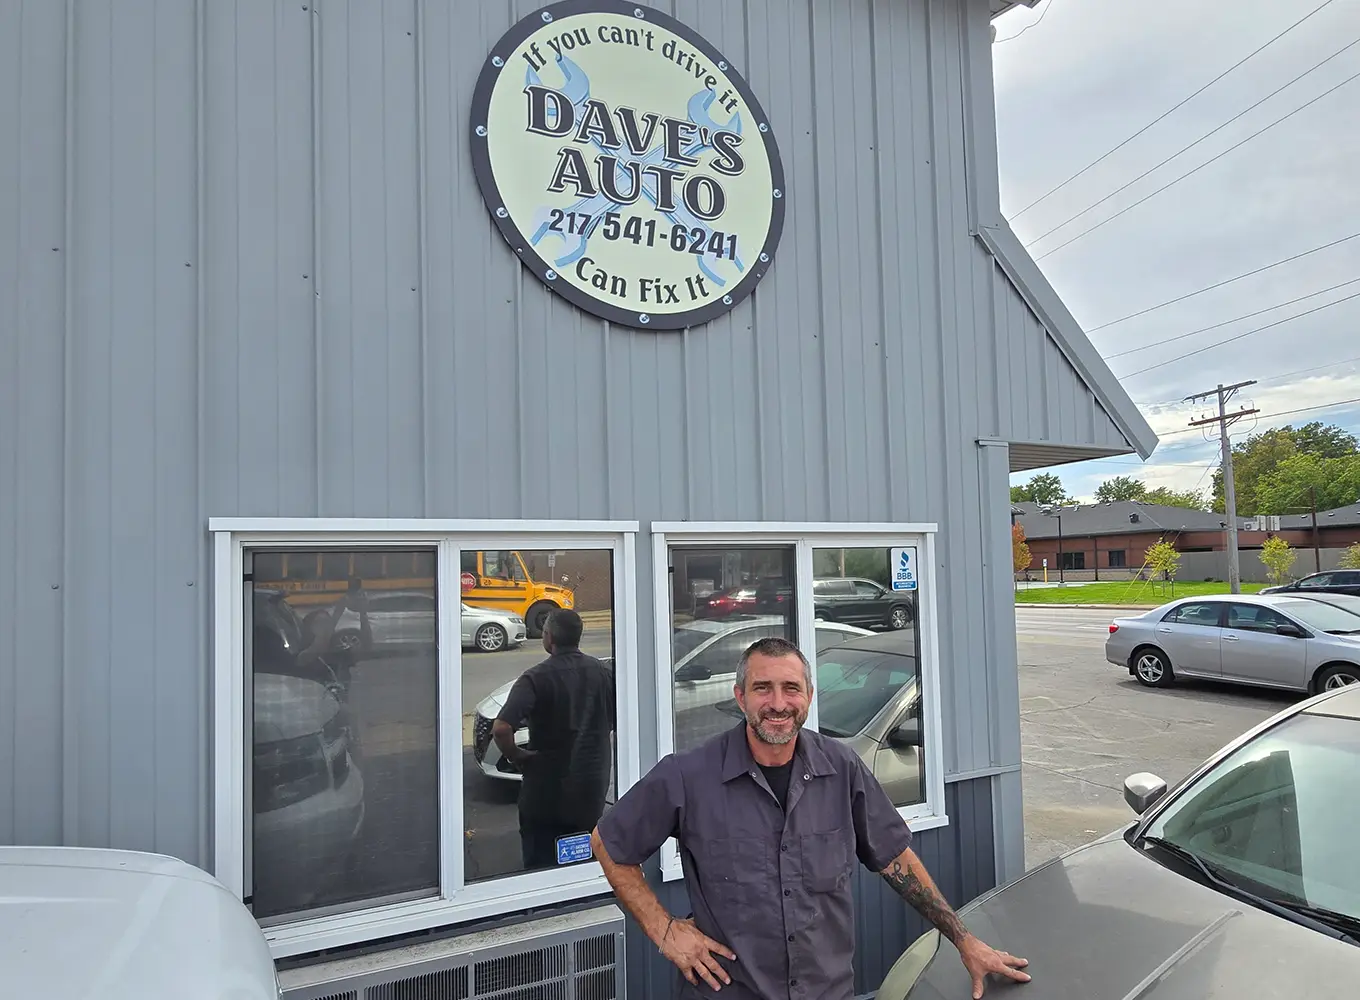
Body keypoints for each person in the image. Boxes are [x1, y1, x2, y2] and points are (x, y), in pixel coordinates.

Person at [589, 636, 1030, 1000]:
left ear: (808, 697)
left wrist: (964, 941)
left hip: (827, 991)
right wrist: (663, 929)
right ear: (740, 696)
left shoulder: (842, 768)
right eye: (763, 688)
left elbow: (896, 859)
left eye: (791, 689)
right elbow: (609, 843)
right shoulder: (688, 775)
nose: (778, 703)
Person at [493, 608, 616, 869]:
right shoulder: (603, 672)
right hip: (591, 788)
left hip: (546, 792)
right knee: (585, 855)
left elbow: (502, 728)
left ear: (549, 637)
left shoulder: (535, 678)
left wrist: (517, 756)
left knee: (541, 860)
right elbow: (617, 718)